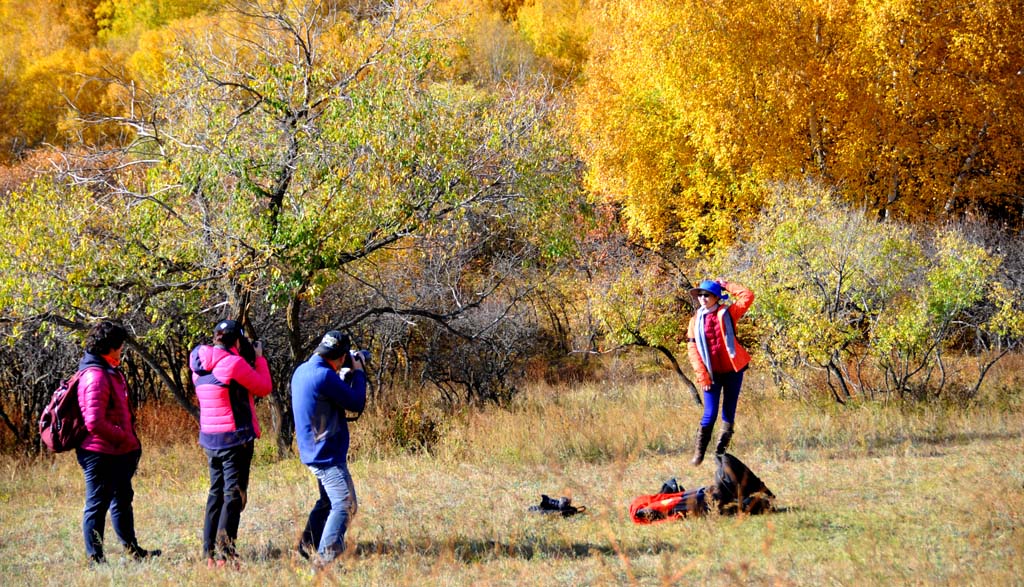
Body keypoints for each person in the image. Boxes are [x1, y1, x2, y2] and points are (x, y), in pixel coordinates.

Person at [75, 320, 161, 564]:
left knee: (122, 499)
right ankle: (95, 559)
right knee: (97, 505)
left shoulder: (108, 369)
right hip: (99, 452)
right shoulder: (95, 375)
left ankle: (134, 551)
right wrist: (125, 436)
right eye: (120, 345)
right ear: (110, 346)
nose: (122, 349)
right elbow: (94, 422)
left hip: (117, 451)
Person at [189, 319, 273, 568]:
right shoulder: (233, 364)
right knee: (233, 496)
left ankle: (209, 553)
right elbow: (264, 387)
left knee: (216, 494)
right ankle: (226, 552)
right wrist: (258, 358)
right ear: (237, 340)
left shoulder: (198, 364)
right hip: (234, 439)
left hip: (210, 439)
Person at [291, 330, 367, 566]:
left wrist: (344, 374)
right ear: (342, 356)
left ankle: (304, 548)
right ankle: (325, 559)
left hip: (312, 449)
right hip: (326, 455)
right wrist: (360, 372)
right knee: (345, 504)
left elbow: (328, 396)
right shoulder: (324, 376)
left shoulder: (303, 370)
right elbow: (356, 402)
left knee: (327, 501)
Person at [685, 279, 755, 466]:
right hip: (711, 375)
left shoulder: (728, 313)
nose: (702, 298)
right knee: (710, 413)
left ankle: (719, 453)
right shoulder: (694, 321)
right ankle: (699, 453)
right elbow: (693, 351)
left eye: (706, 294)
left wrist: (726, 285)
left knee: (728, 412)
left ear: (716, 297)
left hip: (733, 371)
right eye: (700, 295)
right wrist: (703, 376)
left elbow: (747, 296)